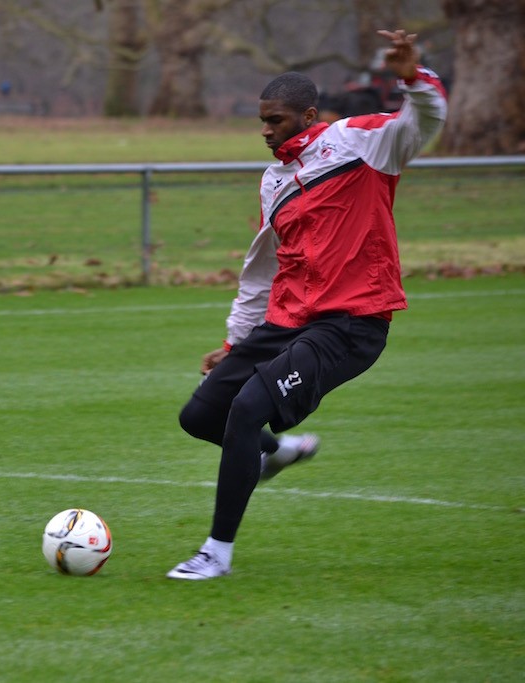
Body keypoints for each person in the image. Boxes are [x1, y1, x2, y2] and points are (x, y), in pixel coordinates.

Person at [168, 29, 447, 580]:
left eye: (276, 121)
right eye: (262, 122)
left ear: (309, 114)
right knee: (200, 416)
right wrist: (234, 341)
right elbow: (261, 271)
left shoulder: (358, 143)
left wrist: (413, 76)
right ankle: (274, 453)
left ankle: (215, 554)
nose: (266, 132)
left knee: (248, 408)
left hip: (351, 323)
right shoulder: (274, 182)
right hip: (287, 321)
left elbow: (426, 122)